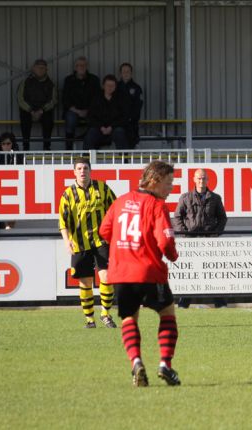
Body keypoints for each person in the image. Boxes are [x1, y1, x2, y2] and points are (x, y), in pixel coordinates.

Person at [99, 160, 181, 387]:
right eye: (169, 182)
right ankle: (165, 364)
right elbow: (165, 242)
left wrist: (123, 247)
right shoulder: (157, 205)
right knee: (167, 313)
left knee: (129, 317)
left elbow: (104, 231)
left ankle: (136, 362)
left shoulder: (120, 201)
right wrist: (173, 255)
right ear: (154, 181)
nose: (171, 187)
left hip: (121, 273)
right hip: (148, 270)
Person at [58, 157, 118, 329]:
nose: (82, 171)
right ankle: (90, 320)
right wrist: (66, 241)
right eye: (79, 168)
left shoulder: (102, 188)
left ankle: (105, 314)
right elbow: (63, 222)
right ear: (74, 172)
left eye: (85, 168)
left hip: (102, 241)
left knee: (106, 277)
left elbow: (115, 210)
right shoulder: (68, 195)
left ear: (90, 170)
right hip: (79, 243)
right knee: (85, 282)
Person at [17, 58, 57, 151]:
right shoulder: (25, 82)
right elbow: (20, 99)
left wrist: (42, 110)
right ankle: (26, 148)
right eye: (38, 67)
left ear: (46, 70)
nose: (40, 70)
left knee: (49, 120)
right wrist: (30, 110)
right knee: (24, 119)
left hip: (44, 111)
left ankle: (46, 147)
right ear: (33, 69)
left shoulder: (51, 84)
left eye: (43, 68)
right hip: (28, 110)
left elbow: (54, 100)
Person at [172, 169, 228, 236]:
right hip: (190, 239)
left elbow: (222, 218)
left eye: (204, 178)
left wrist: (215, 233)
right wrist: (184, 234)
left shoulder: (215, 198)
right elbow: (177, 217)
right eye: (199, 178)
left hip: (209, 239)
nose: (201, 181)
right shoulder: (185, 198)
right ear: (194, 179)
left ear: (207, 180)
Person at [62, 56, 100, 150]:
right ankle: (69, 148)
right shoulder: (69, 80)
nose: (81, 67)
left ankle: (90, 148)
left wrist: (88, 110)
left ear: (87, 67)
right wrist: (78, 111)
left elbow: (97, 98)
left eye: (84, 65)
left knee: (96, 119)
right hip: (74, 111)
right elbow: (65, 99)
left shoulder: (94, 80)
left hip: (90, 110)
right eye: (79, 65)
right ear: (75, 67)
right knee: (70, 119)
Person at [84, 75, 129, 150]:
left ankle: (124, 157)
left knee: (120, 133)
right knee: (90, 134)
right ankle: (86, 157)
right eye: (108, 85)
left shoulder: (121, 98)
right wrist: (101, 127)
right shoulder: (96, 98)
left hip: (115, 128)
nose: (110, 88)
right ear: (103, 86)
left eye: (112, 86)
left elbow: (124, 117)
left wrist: (111, 127)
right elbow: (90, 116)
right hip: (99, 128)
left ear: (115, 87)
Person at [116, 63, 144, 148]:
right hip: (117, 122)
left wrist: (130, 118)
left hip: (131, 123)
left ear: (131, 73)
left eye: (128, 71)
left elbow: (138, 106)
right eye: (124, 71)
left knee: (131, 143)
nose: (126, 73)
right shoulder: (115, 87)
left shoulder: (136, 88)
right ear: (120, 73)